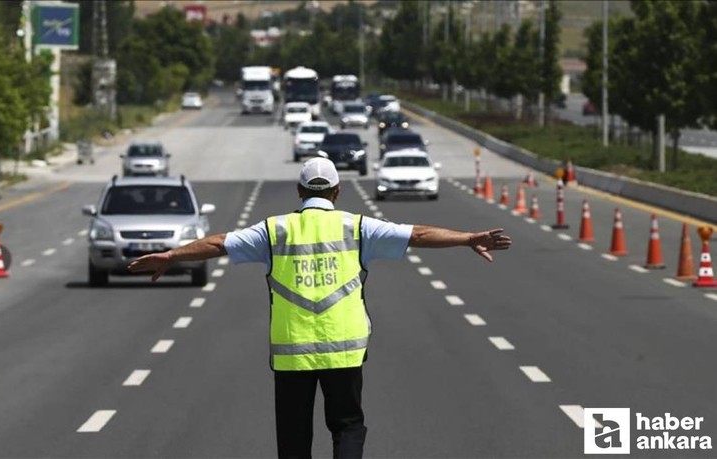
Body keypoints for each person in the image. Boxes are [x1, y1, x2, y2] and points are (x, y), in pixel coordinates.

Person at [127, 158, 512, 459]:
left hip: (292, 353)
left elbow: (217, 244)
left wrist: (171, 256)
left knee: (294, 438)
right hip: (344, 348)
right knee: (347, 427)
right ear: (338, 191)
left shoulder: (274, 230)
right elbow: (418, 234)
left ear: (298, 190)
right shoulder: (358, 227)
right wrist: (467, 238)